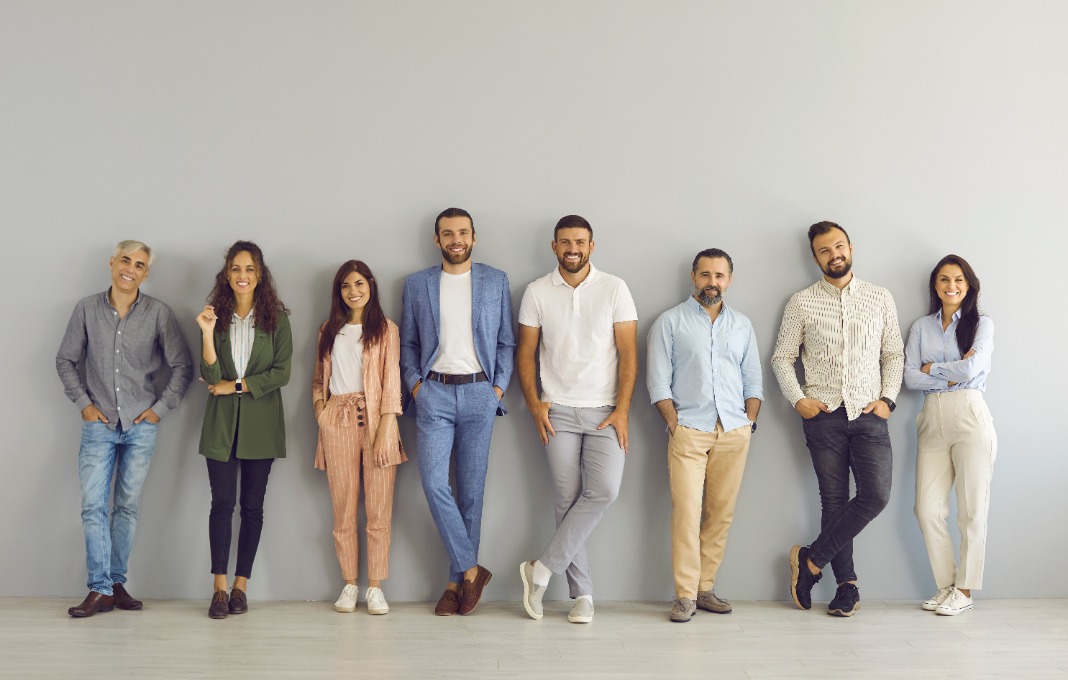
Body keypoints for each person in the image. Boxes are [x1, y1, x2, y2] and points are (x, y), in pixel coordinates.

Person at [771, 221, 903, 617]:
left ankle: (810, 562)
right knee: (833, 501)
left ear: (850, 248)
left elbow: (893, 355)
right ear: (815, 258)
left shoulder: (880, 298)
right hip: (823, 416)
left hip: (869, 414)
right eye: (825, 251)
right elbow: (781, 357)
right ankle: (848, 587)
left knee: (875, 496)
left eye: (839, 246)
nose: (834, 255)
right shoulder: (801, 302)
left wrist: (887, 401)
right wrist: (799, 400)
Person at [56, 240, 192, 618]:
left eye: (139, 264)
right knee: (93, 506)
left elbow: (182, 367)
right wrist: (83, 403)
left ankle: (115, 584)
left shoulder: (159, 314)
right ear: (112, 263)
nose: (130, 268)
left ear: (146, 273)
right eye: (125, 260)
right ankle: (99, 588)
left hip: (140, 426)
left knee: (127, 507)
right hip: (98, 424)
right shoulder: (85, 310)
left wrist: (158, 410)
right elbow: (65, 360)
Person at [517, 215, 638, 624]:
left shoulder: (614, 288)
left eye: (580, 242)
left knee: (604, 491)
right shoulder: (536, 291)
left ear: (591, 245)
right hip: (557, 412)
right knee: (566, 501)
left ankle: (542, 568)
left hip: (605, 411)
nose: (573, 248)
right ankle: (582, 595)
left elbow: (628, 354)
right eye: (565, 242)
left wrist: (622, 409)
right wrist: (535, 405)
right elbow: (525, 353)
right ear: (554, 247)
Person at [401, 207, 515, 616]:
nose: (456, 240)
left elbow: (506, 342)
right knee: (433, 484)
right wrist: (416, 386)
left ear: (473, 237)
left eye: (463, 233)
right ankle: (471, 569)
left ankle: (453, 586)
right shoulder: (417, 285)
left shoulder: (495, 280)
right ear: (437, 240)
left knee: (471, 494)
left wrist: (497, 388)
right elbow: (409, 343)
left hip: (480, 395)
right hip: (434, 394)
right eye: (447, 234)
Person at [647, 248, 762, 623]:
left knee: (720, 515)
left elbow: (754, 381)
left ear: (729, 280)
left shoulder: (742, 325)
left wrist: (749, 422)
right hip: (689, 431)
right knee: (687, 513)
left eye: (720, 275)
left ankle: (705, 588)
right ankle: (683, 595)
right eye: (706, 275)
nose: (713, 282)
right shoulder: (670, 322)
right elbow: (658, 382)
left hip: (733, 431)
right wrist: (674, 423)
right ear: (694, 277)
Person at [195, 241, 292, 619]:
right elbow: (210, 375)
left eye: (249, 269)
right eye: (236, 268)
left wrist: (236, 386)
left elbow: (282, 372)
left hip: (261, 426)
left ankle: (241, 587)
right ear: (227, 274)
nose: (242, 275)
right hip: (220, 425)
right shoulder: (213, 317)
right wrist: (206, 334)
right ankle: (218, 589)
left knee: (252, 508)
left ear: (260, 274)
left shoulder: (276, 320)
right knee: (221, 506)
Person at [312, 260, 406, 615]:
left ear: (370, 285)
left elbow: (392, 380)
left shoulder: (386, 329)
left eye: (359, 284)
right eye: (346, 286)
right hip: (337, 419)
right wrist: (322, 413)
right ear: (339, 292)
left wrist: (387, 426)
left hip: (377, 420)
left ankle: (376, 587)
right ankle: (350, 583)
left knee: (379, 510)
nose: (353, 291)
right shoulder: (328, 330)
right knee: (343, 510)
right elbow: (319, 380)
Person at [904, 254, 995, 616]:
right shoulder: (921, 327)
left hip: (971, 414)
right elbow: (910, 377)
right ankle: (947, 587)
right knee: (926, 509)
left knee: (972, 509)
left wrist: (933, 367)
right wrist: (951, 371)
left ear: (969, 285)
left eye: (958, 280)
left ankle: (965, 590)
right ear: (935, 285)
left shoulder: (982, 324)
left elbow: (973, 369)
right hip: (931, 417)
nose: (951, 286)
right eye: (943, 279)